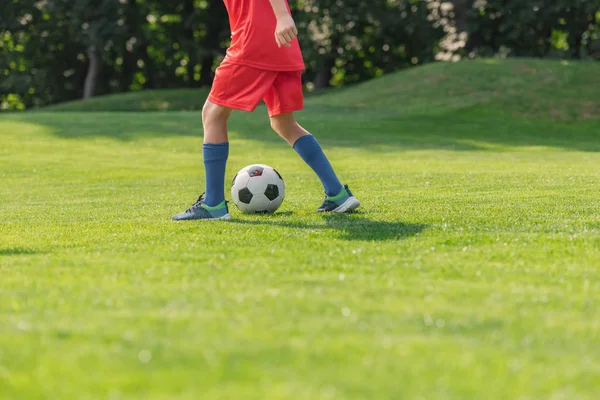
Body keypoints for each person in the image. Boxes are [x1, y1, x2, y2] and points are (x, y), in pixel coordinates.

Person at [172, 0, 360, 221]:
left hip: (255, 41)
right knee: (283, 123)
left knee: (213, 114)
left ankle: (213, 205)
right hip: (281, 43)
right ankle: (337, 194)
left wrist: (282, 15)